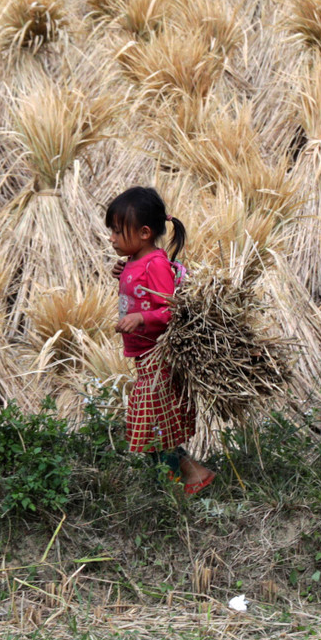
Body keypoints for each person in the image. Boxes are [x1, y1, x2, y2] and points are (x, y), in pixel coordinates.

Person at [106, 186, 216, 495]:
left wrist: (142, 319)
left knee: (154, 427)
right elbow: (139, 289)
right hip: (145, 359)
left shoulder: (155, 263)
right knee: (153, 427)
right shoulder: (136, 261)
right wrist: (124, 272)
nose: (112, 237)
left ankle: (170, 490)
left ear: (143, 232)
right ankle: (193, 476)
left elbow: (170, 310)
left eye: (117, 231)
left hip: (159, 358)